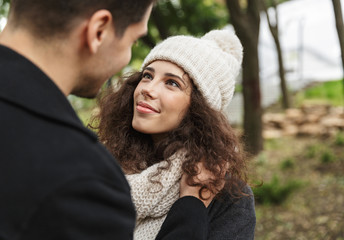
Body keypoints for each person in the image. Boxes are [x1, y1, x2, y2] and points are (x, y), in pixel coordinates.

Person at [0, 1, 209, 239]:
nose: (127, 58)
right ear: (98, 31)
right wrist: (191, 211)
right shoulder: (82, 182)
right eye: (133, 41)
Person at [93, 29, 256, 239]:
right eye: (147, 76)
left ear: (199, 108)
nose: (148, 89)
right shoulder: (100, 166)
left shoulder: (227, 197)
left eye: (172, 83)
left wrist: (191, 203)